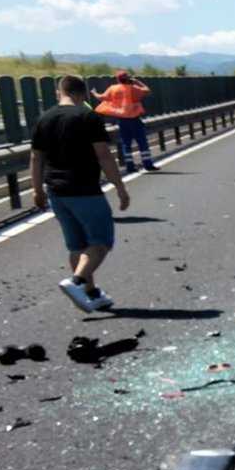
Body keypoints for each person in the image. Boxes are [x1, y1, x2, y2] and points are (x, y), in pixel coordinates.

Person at [31, 74, 131, 313]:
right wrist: (120, 187)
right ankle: (76, 282)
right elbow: (104, 155)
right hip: (84, 189)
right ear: (82, 94)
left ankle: (91, 294)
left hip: (56, 191)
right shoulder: (88, 116)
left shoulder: (44, 118)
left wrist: (37, 191)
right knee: (100, 241)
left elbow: (36, 157)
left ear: (60, 92)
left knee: (77, 245)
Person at [92, 71, 155, 172]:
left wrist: (94, 93)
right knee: (142, 142)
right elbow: (147, 90)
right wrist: (137, 81)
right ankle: (148, 164)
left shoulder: (113, 89)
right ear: (129, 78)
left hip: (122, 120)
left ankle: (130, 166)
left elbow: (101, 97)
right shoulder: (134, 88)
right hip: (135, 120)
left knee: (126, 144)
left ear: (117, 79)